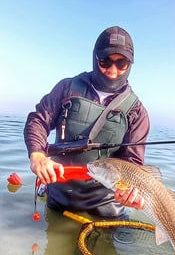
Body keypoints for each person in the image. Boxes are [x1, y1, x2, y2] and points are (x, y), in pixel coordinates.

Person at [24, 26, 150, 219]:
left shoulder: (136, 112)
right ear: (95, 58)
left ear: (130, 64)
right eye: (105, 61)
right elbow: (38, 120)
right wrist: (37, 154)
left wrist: (131, 195)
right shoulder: (67, 87)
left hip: (108, 209)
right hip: (59, 200)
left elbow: (132, 164)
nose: (112, 70)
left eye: (121, 63)